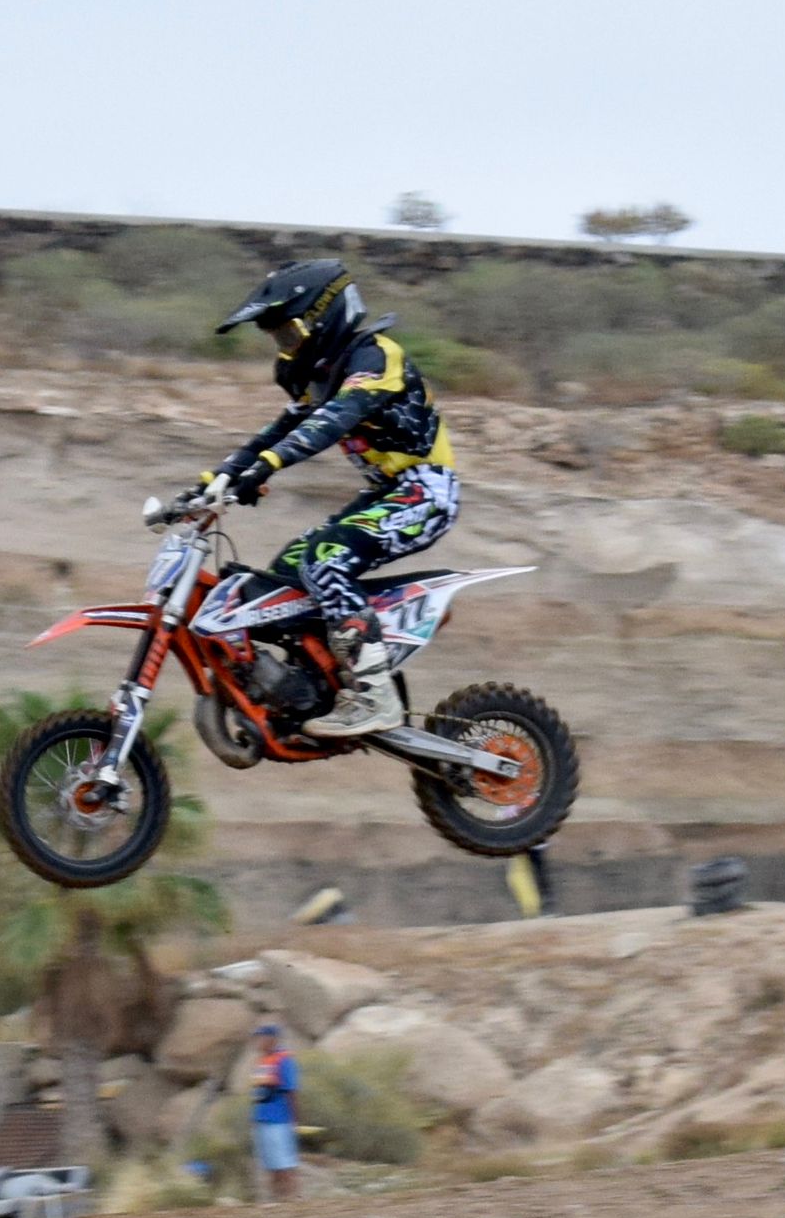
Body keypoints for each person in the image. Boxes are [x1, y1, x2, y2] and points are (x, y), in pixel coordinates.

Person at [191, 260, 458, 738]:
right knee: (285, 574)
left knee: (325, 560)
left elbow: (335, 418)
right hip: (385, 492)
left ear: (324, 316)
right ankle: (313, 686)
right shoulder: (311, 371)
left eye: (289, 331)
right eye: (277, 337)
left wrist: (269, 465)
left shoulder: (375, 356)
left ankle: (374, 696)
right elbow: (283, 428)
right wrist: (216, 478)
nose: (284, 345)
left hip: (426, 490)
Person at [247, 1022, 301, 1200]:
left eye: (261, 1037)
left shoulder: (284, 1061)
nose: (257, 1041)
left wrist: (294, 1120)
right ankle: (276, 1201)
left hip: (279, 1120)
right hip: (263, 1120)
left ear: (272, 1039)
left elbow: (291, 1091)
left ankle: (293, 1199)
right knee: (270, 1165)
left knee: (284, 1164)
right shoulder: (263, 1062)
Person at [505, 841, 556, 918]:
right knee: (536, 875)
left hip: (529, 846)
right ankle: (537, 910)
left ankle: (536, 910)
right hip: (529, 846)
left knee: (524, 876)